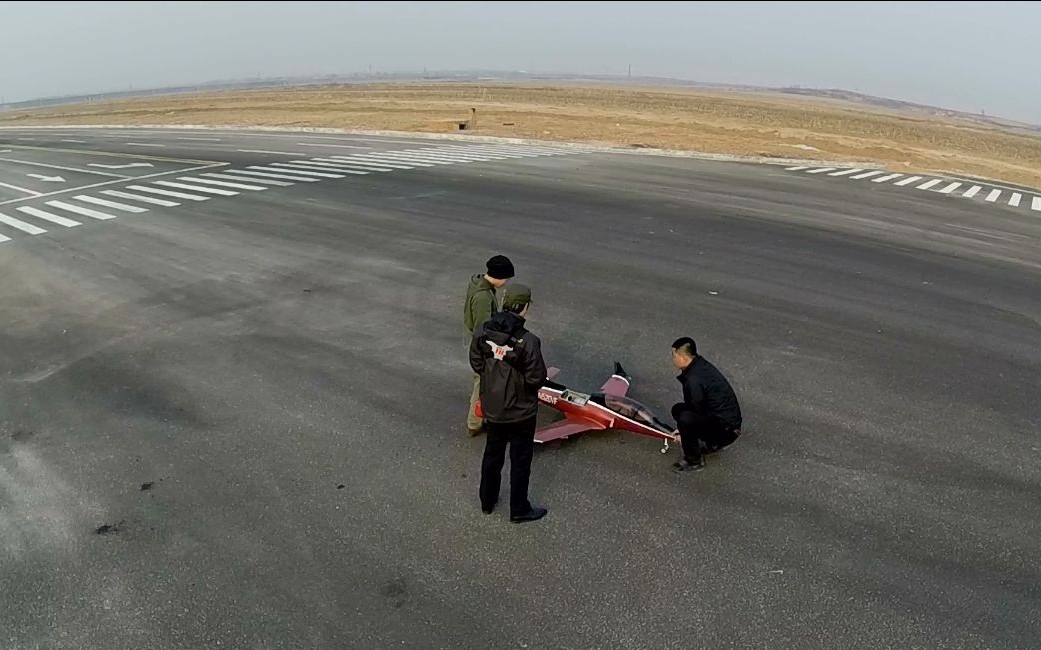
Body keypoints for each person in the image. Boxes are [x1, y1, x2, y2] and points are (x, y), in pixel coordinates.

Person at [469, 283, 549, 522]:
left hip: (493, 408)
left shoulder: (483, 330)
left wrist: (493, 383)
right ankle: (519, 509)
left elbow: (476, 362)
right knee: (520, 460)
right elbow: (537, 377)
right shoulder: (529, 341)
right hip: (521, 412)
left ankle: (487, 501)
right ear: (524, 308)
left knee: (492, 454)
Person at [669, 336, 743, 472]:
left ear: (684, 358)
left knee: (685, 419)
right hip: (724, 421)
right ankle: (710, 443)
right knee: (678, 410)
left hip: (727, 429)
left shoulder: (693, 380)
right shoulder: (699, 365)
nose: (672, 359)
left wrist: (682, 433)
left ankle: (693, 460)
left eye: (674, 356)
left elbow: (695, 410)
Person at [462, 254, 515, 436]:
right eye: (506, 278)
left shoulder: (478, 284)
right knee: (482, 382)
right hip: (482, 346)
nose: (506, 282)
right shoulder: (484, 298)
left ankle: (479, 418)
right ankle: (474, 423)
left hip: (477, 342)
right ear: (498, 276)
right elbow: (483, 330)